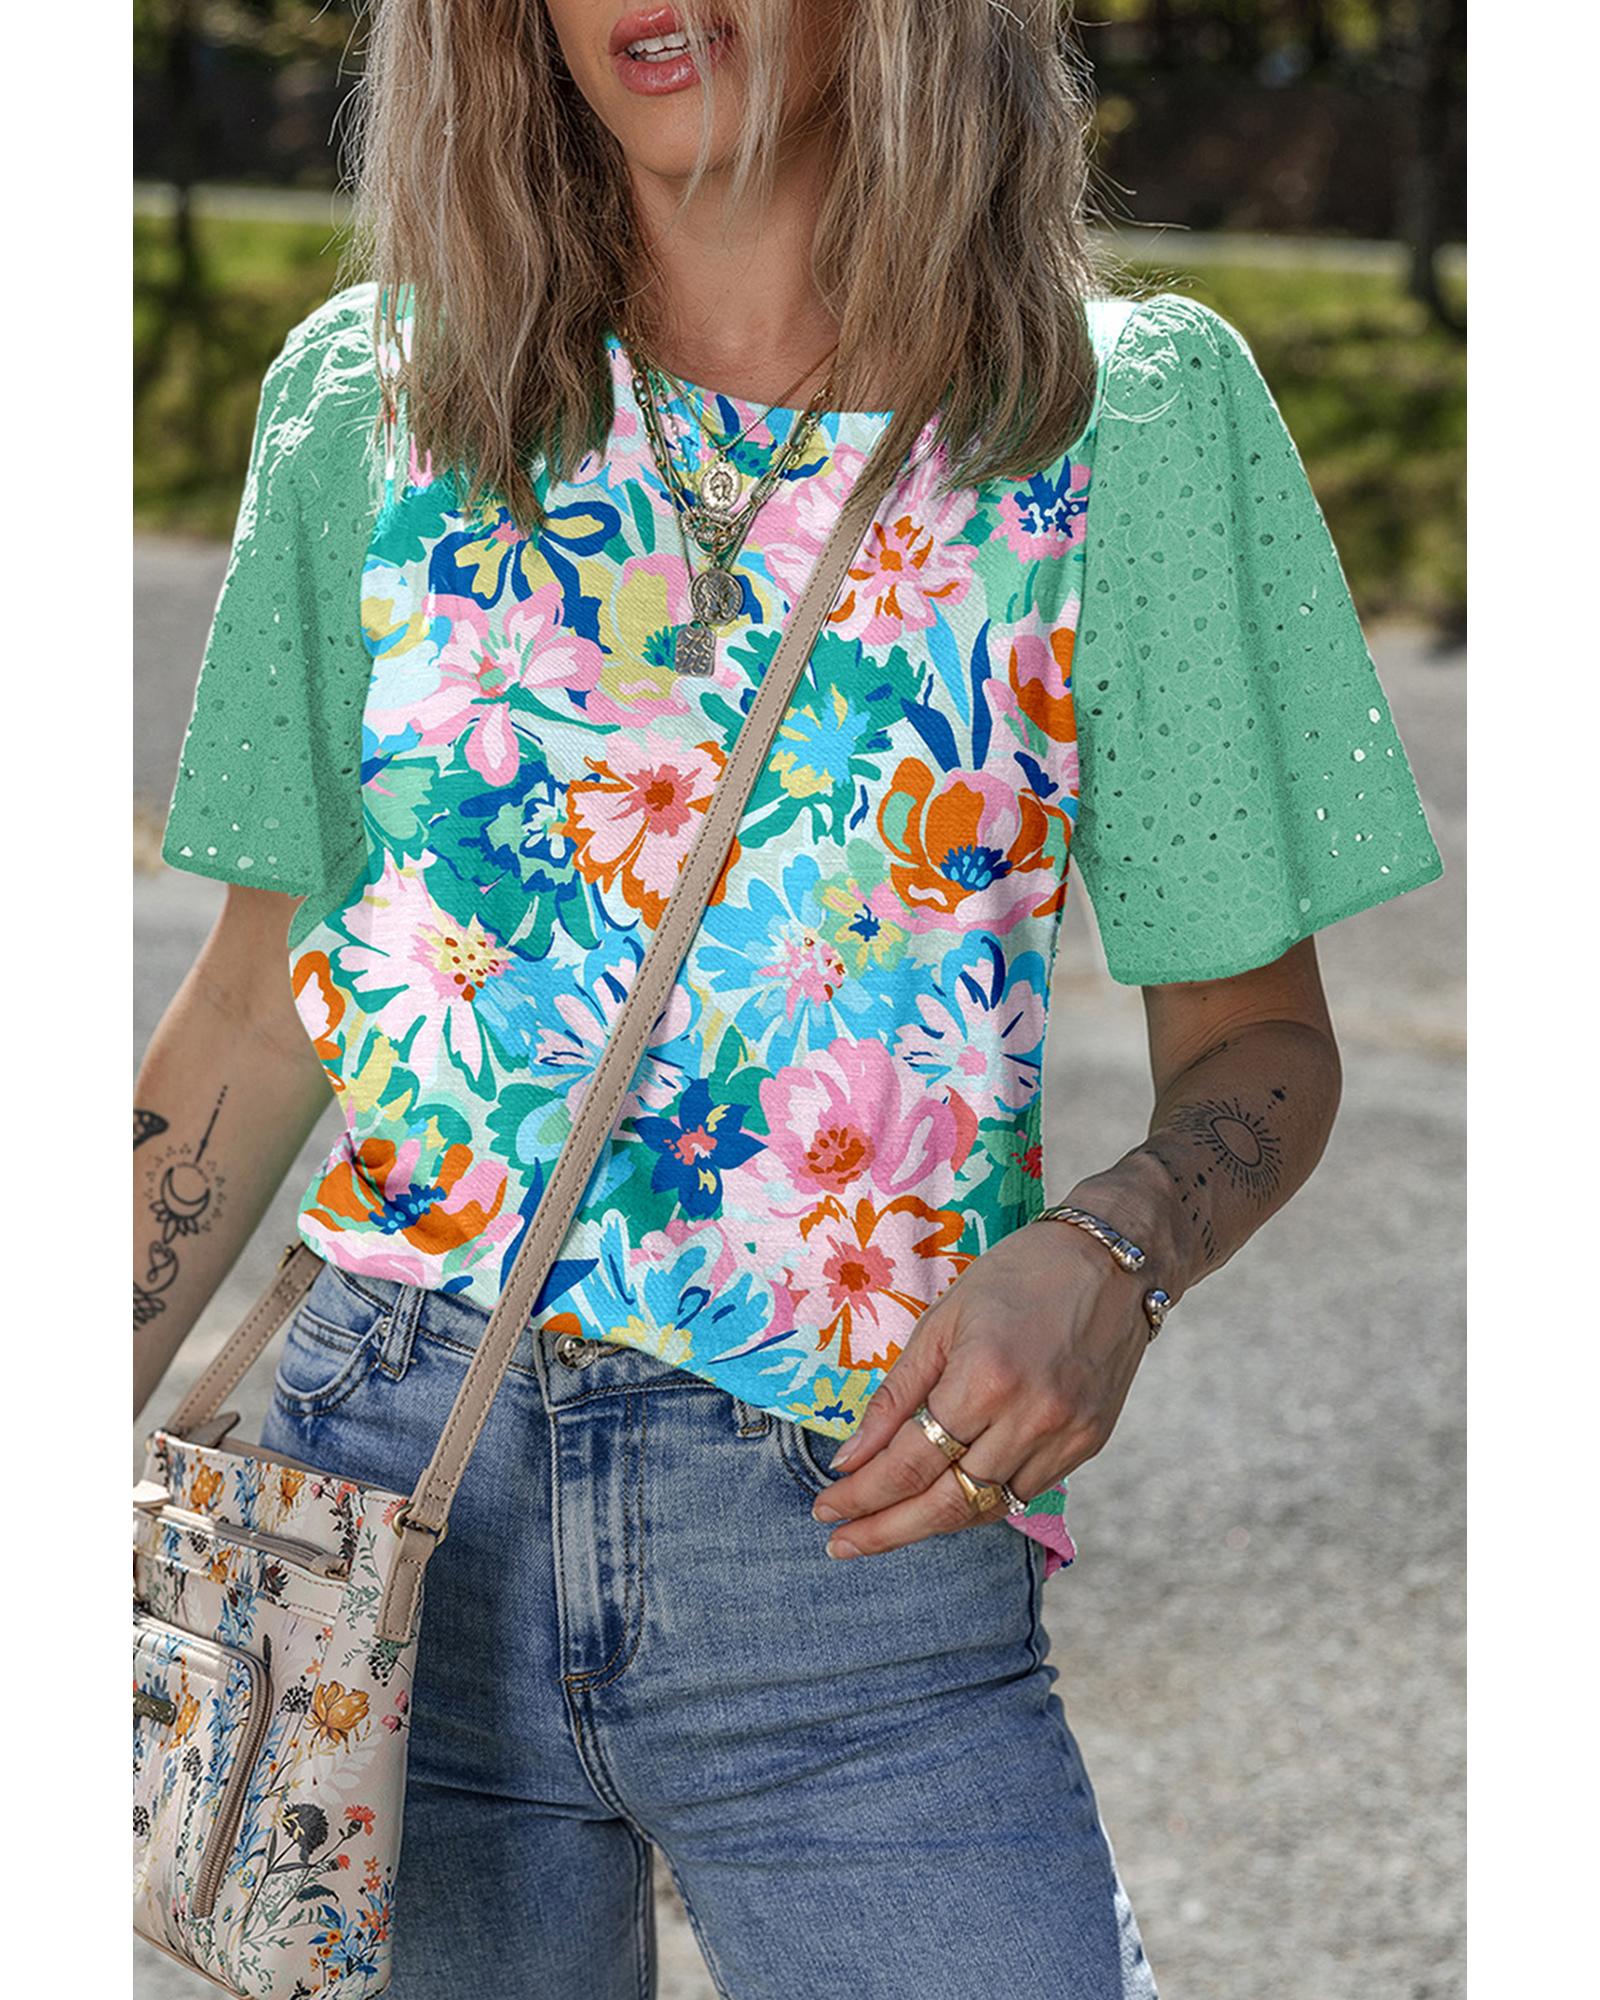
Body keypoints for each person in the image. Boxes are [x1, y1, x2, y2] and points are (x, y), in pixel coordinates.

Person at [133, 3, 1445, 1995]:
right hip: (376, 1528)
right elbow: (257, 1012)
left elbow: (1257, 1044)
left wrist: (1114, 1255)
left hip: (851, 1555)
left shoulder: (1117, 432)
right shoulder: (374, 407)